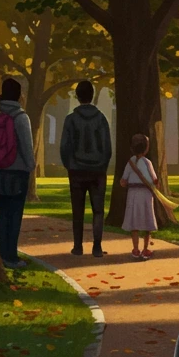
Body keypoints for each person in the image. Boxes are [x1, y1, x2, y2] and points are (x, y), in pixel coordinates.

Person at [59, 80, 112, 258]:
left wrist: (70, 165)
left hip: (76, 170)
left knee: (77, 210)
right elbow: (107, 147)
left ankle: (78, 246)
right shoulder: (101, 118)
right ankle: (97, 247)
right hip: (98, 171)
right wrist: (102, 165)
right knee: (98, 210)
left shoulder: (70, 119)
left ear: (77, 96)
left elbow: (64, 147)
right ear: (92, 95)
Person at [0, 77, 35, 269]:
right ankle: (11, 257)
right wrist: (31, 166)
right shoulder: (21, 118)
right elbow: (26, 147)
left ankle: (2, 254)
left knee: (3, 214)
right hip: (17, 173)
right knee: (15, 216)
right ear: (18, 95)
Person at [120, 134, 157, 260]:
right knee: (147, 220)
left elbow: (123, 181)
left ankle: (135, 249)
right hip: (145, 194)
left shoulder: (130, 162)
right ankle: (145, 249)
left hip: (132, 193)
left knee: (134, 221)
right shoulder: (147, 162)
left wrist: (126, 182)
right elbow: (154, 180)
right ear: (146, 148)